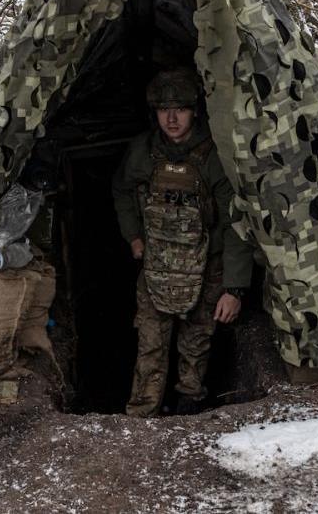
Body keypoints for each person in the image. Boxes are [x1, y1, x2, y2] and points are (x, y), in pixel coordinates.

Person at [112, 67, 253, 417]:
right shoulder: (143, 152)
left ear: (195, 110)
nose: (172, 118)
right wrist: (134, 237)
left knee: (195, 346)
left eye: (181, 109)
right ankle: (142, 418)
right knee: (150, 348)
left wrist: (233, 289)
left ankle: (188, 414)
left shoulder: (215, 156)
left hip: (207, 268)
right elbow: (123, 190)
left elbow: (238, 221)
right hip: (157, 267)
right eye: (163, 110)